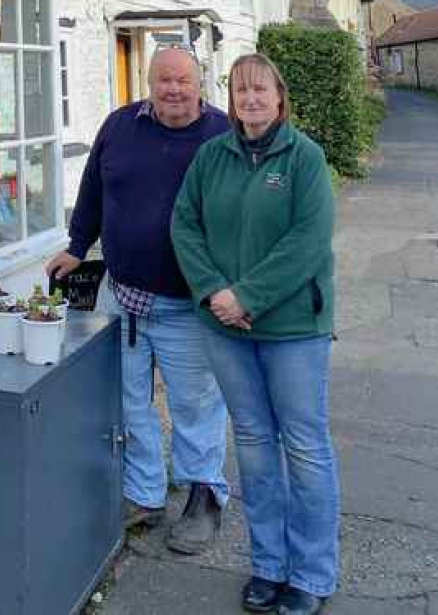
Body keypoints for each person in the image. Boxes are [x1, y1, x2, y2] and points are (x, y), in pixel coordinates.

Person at [46, 45, 231, 554]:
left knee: (195, 406)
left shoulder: (221, 135)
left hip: (187, 306)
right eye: (163, 79)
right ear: (149, 82)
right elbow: (93, 192)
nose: (173, 89)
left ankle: (204, 495)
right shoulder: (120, 125)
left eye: (183, 80)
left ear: (200, 84)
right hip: (122, 297)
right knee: (130, 402)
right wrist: (76, 247)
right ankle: (145, 493)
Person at [171, 53, 338, 615]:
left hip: (293, 330)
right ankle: (268, 566)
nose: (251, 99)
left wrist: (248, 296)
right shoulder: (210, 157)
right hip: (226, 329)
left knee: (305, 447)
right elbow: (184, 224)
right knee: (254, 446)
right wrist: (216, 291)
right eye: (241, 91)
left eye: (260, 90)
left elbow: (307, 242)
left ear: (279, 95)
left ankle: (312, 574)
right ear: (232, 99)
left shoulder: (305, 158)